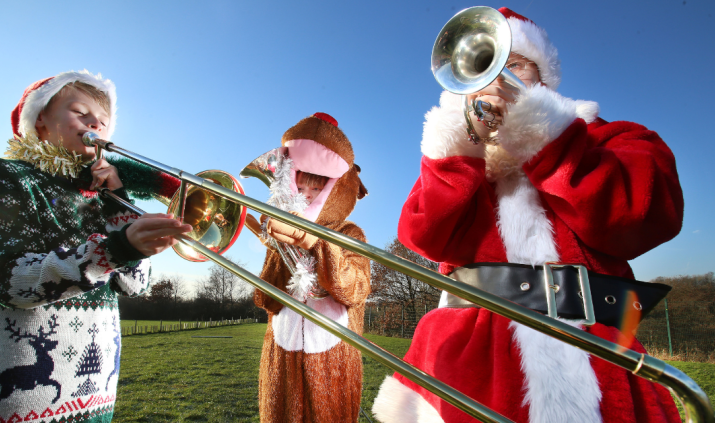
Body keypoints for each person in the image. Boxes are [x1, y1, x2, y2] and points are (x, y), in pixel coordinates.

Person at [372, 8, 684, 423]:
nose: (496, 79)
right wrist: (462, 147)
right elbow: (423, 234)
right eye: (486, 67)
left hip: (594, 349)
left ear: (543, 76)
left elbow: (645, 214)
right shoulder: (460, 154)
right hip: (469, 356)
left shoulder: (603, 135)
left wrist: (543, 134)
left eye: (513, 64)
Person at [0, 70, 191, 423]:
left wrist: (118, 199)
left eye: (102, 121)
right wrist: (113, 250)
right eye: (80, 112)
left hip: (96, 402)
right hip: (20, 410)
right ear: (39, 119)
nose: (94, 125)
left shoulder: (102, 195)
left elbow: (135, 283)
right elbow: (8, 282)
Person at [254, 113, 370, 423]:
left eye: (315, 190)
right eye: (300, 187)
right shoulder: (279, 234)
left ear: (332, 190)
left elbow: (356, 289)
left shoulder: (351, 233)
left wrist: (312, 240)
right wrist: (281, 248)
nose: (305, 196)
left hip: (334, 362)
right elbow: (265, 300)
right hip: (282, 360)